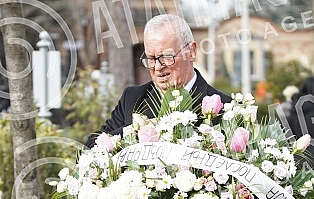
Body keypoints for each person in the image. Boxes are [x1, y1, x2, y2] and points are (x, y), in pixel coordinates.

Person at [86, 14, 231, 148]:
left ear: (191, 51)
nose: (157, 67)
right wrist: (134, 131)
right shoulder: (133, 99)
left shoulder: (226, 109)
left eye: (167, 57)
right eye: (151, 58)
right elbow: (91, 146)